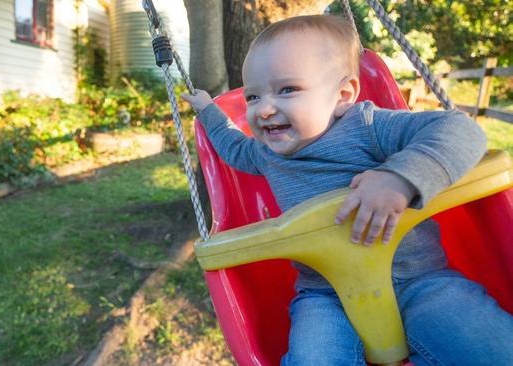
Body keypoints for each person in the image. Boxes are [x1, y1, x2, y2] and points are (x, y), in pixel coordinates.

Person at [182, 15, 513, 366]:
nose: (263, 109)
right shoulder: (265, 155)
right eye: (252, 96)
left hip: (422, 281)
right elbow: (232, 147)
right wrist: (208, 111)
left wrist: (399, 178)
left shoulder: (367, 126)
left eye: (287, 89)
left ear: (343, 95)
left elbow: (461, 131)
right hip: (325, 295)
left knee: (493, 350)